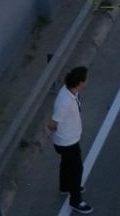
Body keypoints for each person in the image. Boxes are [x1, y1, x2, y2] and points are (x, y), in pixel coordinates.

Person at [48, 67, 94, 214]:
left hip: (69, 139)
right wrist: (61, 133)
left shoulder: (69, 91)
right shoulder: (65, 102)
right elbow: (52, 123)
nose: (88, 80)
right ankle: (76, 200)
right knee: (77, 169)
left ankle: (65, 186)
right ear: (80, 83)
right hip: (67, 141)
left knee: (67, 163)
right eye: (86, 78)